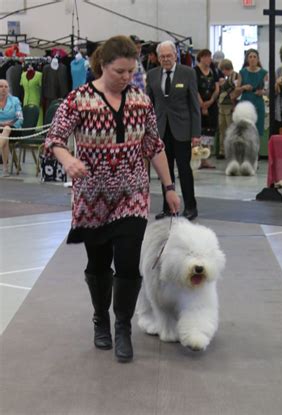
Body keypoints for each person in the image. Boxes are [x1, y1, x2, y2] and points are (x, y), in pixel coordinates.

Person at [44, 35, 180, 363]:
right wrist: (68, 160)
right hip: (92, 198)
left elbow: (153, 146)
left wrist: (169, 186)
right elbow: (55, 139)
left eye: (131, 71)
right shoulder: (78, 100)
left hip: (132, 194)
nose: (126, 77)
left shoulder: (140, 100)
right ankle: (100, 319)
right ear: (103, 65)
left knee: (129, 263)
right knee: (99, 264)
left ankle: (123, 326)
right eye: (119, 71)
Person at [146, 40, 201, 221]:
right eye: (162, 57)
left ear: (176, 56)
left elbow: (194, 105)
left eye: (169, 56)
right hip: (161, 131)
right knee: (165, 170)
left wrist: (196, 133)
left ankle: (190, 207)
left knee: (184, 169)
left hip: (183, 129)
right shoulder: (152, 75)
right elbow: (149, 105)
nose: (166, 59)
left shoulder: (188, 73)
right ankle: (168, 207)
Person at [194, 49, 220, 169]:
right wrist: (202, 104)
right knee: (199, 131)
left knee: (209, 132)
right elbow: (194, 88)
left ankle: (206, 158)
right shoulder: (195, 71)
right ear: (201, 58)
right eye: (207, 57)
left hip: (211, 105)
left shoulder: (213, 71)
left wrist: (210, 102)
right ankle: (197, 158)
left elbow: (217, 88)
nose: (209, 59)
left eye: (210, 57)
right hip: (198, 104)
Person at [234, 48, 268, 137]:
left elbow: (267, 89)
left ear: (258, 59)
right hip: (245, 102)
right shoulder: (242, 72)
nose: (252, 59)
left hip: (258, 102)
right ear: (247, 59)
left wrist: (262, 92)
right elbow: (236, 90)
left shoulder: (264, 73)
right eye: (250, 57)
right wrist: (243, 87)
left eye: (254, 57)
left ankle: (257, 150)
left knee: (257, 130)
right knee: (244, 131)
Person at [0, 79, 23, 177]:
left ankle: (5, 167)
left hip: (14, 127)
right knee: (4, 137)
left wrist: (9, 123)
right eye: (1, 86)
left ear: (9, 88)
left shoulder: (15, 100)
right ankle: (5, 168)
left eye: (6, 86)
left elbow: (20, 118)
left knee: (7, 130)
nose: (4, 89)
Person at [217, 58, 238, 159]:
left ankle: (231, 151)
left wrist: (235, 106)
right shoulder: (226, 77)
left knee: (231, 130)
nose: (222, 72)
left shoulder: (235, 76)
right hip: (222, 106)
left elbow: (235, 91)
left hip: (230, 106)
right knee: (222, 129)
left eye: (223, 69)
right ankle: (222, 151)